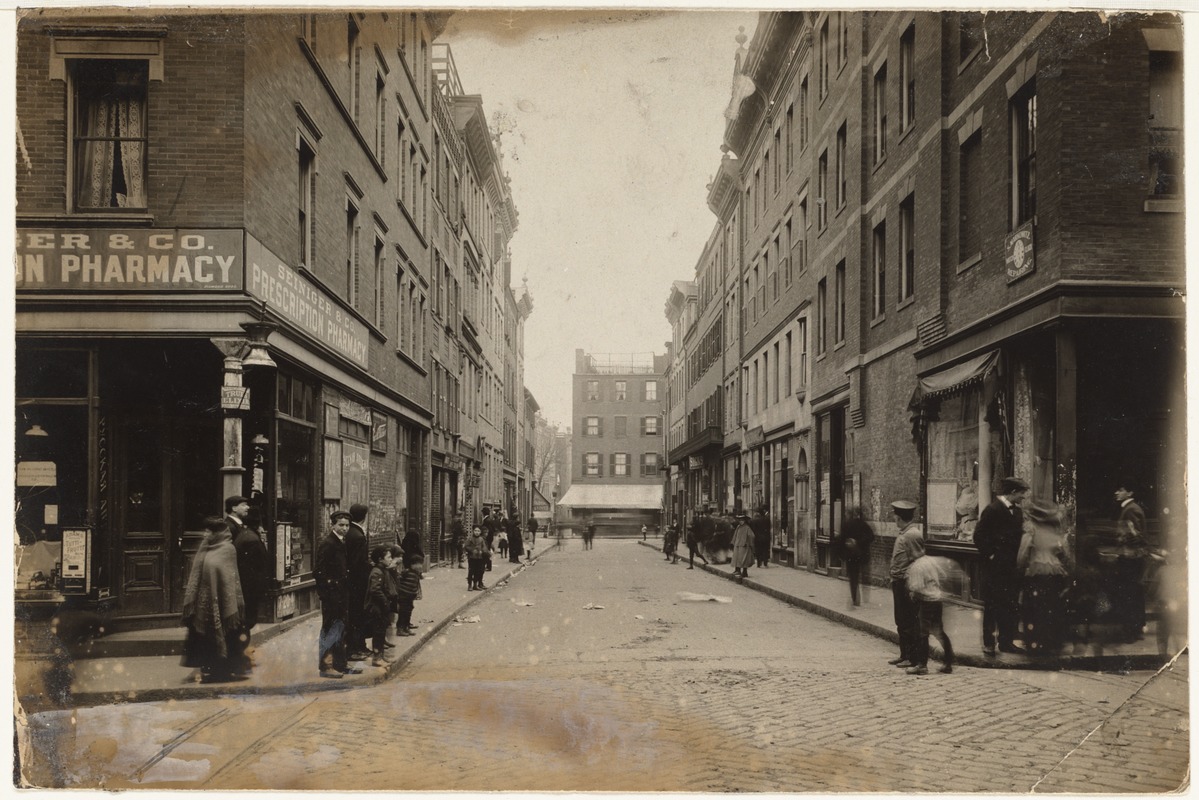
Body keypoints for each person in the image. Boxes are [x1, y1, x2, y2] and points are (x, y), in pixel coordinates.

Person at [180, 517, 246, 683]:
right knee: (204, 638)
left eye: (209, 531)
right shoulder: (205, 547)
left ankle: (223, 671)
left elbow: (227, 577)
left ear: (218, 533)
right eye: (206, 530)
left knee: (226, 636)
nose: (206, 534)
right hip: (204, 603)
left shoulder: (227, 549)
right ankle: (209, 669)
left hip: (223, 603)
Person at [973, 476, 1030, 655]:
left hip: (1012, 568)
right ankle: (989, 643)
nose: (1023, 498)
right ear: (1013, 492)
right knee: (992, 605)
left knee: (1010, 604)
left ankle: (1006, 642)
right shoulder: (992, 510)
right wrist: (991, 555)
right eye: (1022, 494)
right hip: (995, 569)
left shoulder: (1018, 512)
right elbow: (979, 536)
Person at [1017, 497, 1074, 656]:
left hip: (1036, 573)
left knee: (1034, 609)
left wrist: (1020, 570)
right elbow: (1066, 554)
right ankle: (1052, 641)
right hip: (1055, 574)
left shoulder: (1031, 531)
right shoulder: (1057, 533)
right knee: (1052, 607)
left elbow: (1022, 554)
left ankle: (1036, 643)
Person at [314, 511, 362, 678]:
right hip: (332, 595)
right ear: (332, 525)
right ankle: (326, 667)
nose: (344, 528)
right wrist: (326, 595)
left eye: (347, 525)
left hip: (342, 594)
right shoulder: (328, 544)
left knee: (341, 629)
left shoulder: (341, 542)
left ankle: (340, 664)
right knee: (330, 629)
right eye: (341, 525)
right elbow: (319, 572)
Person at [229, 498, 269, 675]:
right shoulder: (251, 539)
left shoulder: (245, 535)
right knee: (246, 623)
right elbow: (255, 569)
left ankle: (242, 659)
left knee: (245, 624)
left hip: (246, 588)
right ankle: (240, 661)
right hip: (248, 589)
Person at [886, 500, 925, 669]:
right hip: (898, 581)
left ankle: (912, 657)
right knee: (901, 620)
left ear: (900, 517)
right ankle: (904, 655)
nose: (894, 518)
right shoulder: (905, 532)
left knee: (909, 621)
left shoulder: (912, 534)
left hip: (906, 583)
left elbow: (917, 560)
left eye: (895, 515)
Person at [905, 554, 956, 675]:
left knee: (922, 633)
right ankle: (948, 662)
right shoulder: (929, 560)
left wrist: (911, 591)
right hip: (937, 600)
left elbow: (916, 586)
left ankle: (922, 665)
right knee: (939, 632)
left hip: (926, 602)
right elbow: (943, 575)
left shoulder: (917, 566)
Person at [1113, 480, 1149, 642]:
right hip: (1133, 557)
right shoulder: (1129, 509)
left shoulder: (1130, 510)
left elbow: (1135, 535)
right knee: (1133, 592)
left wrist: (1122, 544)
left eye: (1120, 489)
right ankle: (1136, 627)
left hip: (1131, 558)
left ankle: (1132, 630)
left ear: (1130, 493)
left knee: (1130, 592)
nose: (1117, 493)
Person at [344, 503, 373, 662]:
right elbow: (358, 563)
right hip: (357, 583)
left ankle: (359, 645)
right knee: (358, 615)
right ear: (364, 517)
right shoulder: (358, 536)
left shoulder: (349, 532)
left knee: (355, 615)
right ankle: (355, 648)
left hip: (350, 582)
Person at [836, 506, 875, 607]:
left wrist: (841, 555)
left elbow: (841, 541)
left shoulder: (846, 525)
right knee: (864, 576)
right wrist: (860, 542)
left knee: (853, 578)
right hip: (862, 555)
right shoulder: (863, 524)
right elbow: (871, 537)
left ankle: (855, 600)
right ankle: (866, 598)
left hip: (851, 557)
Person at [364, 546, 396, 667]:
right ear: (380, 559)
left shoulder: (383, 570)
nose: (390, 559)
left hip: (381, 607)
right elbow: (375, 590)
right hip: (376, 608)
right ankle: (377, 658)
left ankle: (380, 656)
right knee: (378, 633)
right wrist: (385, 602)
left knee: (381, 632)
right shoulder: (377, 572)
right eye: (388, 557)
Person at [394, 553, 424, 636]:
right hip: (404, 595)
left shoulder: (416, 573)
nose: (420, 566)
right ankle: (400, 628)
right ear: (412, 565)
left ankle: (406, 627)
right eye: (418, 565)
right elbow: (399, 580)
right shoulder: (406, 572)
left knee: (408, 611)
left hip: (410, 596)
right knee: (403, 612)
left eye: (421, 564)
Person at [465, 524, 490, 591]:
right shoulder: (470, 538)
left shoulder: (481, 539)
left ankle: (475, 585)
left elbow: (484, 547)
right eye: (475, 531)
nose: (477, 532)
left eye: (478, 531)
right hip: (472, 557)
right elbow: (466, 546)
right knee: (471, 571)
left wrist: (483, 551)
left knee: (477, 571)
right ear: (473, 531)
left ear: (480, 532)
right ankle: (469, 585)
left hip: (479, 557)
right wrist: (472, 550)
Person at [731, 514, 754, 578]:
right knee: (737, 558)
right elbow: (735, 535)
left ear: (745, 521)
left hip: (744, 546)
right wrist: (733, 542)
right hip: (737, 545)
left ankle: (745, 572)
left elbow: (751, 536)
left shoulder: (747, 528)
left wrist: (748, 543)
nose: (741, 521)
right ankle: (737, 570)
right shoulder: (738, 527)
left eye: (742, 520)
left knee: (744, 559)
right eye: (740, 520)